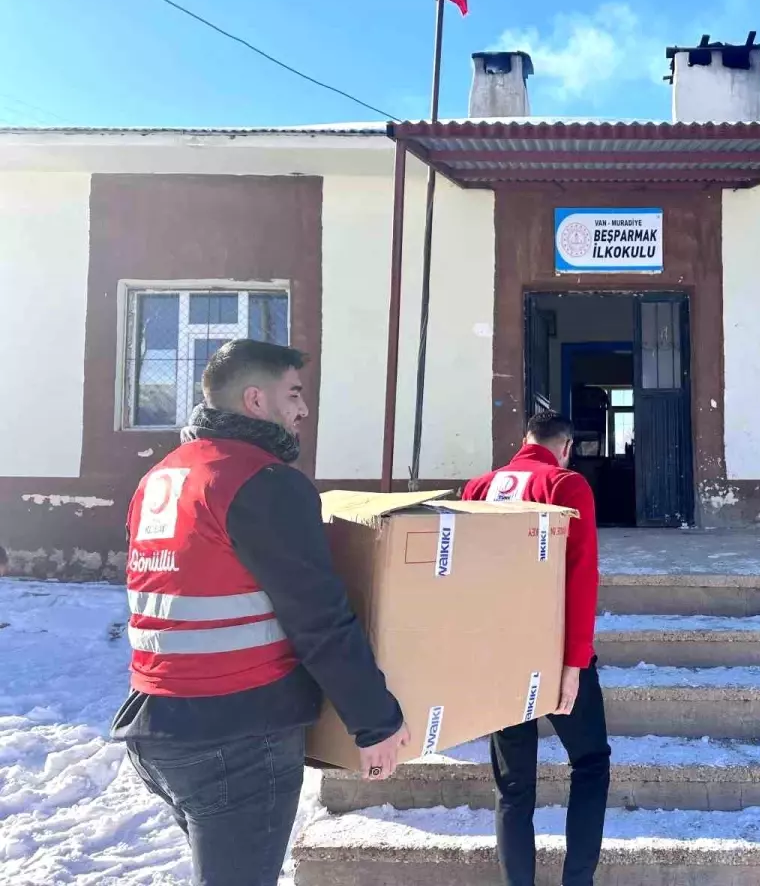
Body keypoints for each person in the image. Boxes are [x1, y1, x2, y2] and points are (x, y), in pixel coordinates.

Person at [111, 339, 409, 886]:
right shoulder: (261, 481)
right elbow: (318, 616)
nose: (303, 410)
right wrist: (375, 721)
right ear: (254, 399)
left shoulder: (163, 476)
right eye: (293, 393)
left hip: (159, 724)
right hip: (237, 735)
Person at [462, 411, 611, 886]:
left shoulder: (478, 488)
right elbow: (581, 577)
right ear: (565, 447)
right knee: (590, 764)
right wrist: (574, 662)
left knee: (513, 788)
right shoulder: (567, 485)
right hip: (554, 653)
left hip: (498, 657)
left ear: (523, 440)